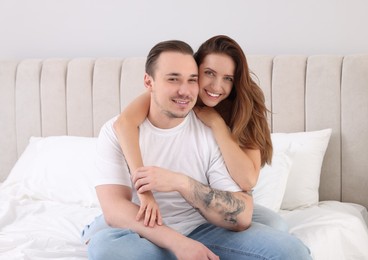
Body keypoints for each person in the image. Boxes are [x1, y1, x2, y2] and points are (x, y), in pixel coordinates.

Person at [84, 39, 311, 259]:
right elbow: (115, 205)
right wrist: (179, 243)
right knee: (106, 248)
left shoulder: (219, 127)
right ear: (149, 82)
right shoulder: (119, 127)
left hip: (202, 227)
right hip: (144, 230)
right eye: (173, 79)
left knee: (287, 243)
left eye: (191, 80)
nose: (185, 90)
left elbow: (244, 202)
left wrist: (180, 182)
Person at [113, 35, 288, 231]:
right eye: (209, 73)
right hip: (183, 206)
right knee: (105, 231)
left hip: (224, 198)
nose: (216, 86)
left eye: (228, 78)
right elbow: (124, 123)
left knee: (277, 226)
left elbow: (247, 180)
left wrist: (217, 124)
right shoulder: (174, 97)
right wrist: (144, 191)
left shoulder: (244, 107)